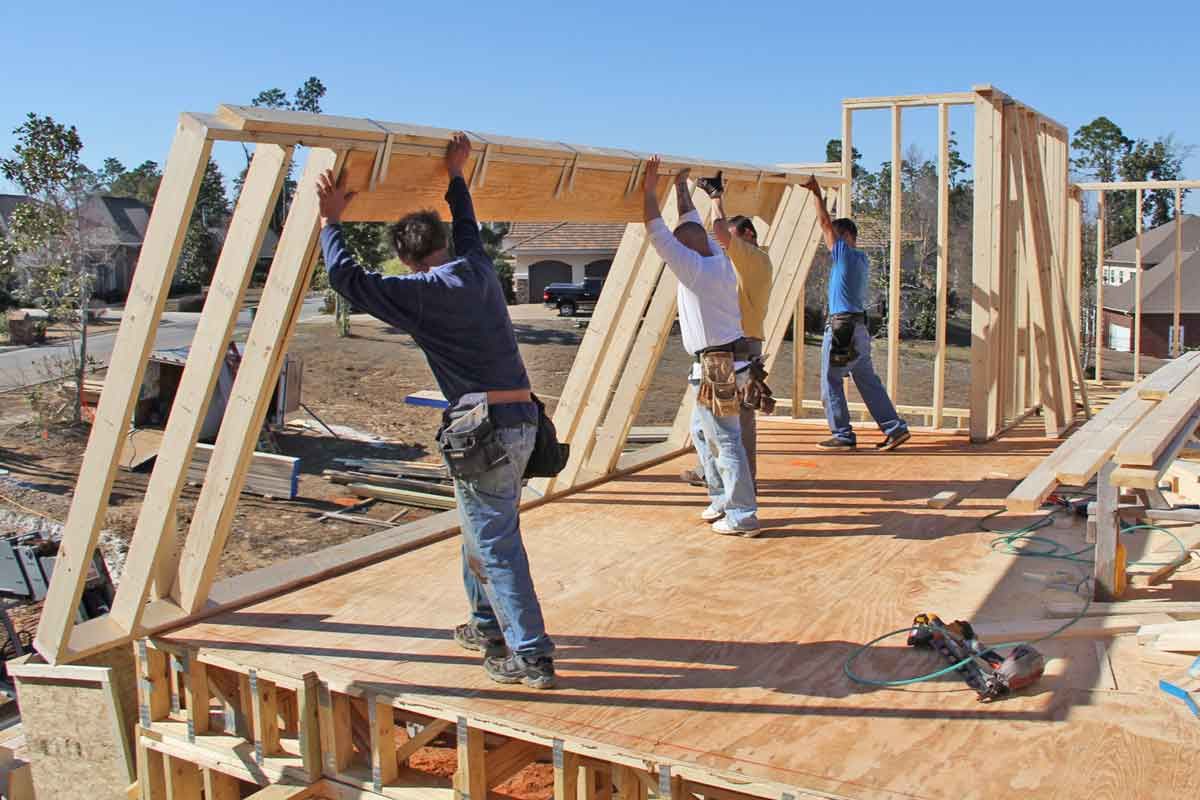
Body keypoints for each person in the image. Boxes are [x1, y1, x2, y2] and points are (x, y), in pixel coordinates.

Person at [315, 133, 557, 689]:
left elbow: (347, 279)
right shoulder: (476, 267)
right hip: (522, 420)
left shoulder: (419, 293)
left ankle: (531, 653)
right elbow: (469, 226)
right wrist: (455, 176)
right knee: (480, 529)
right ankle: (484, 625)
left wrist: (331, 222)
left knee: (493, 540)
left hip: (486, 429)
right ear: (444, 242)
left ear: (405, 257)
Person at [642, 156, 760, 536]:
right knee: (702, 433)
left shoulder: (693, 267)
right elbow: (689, 220)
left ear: (687, 246)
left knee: (726, 440)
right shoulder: (716, 256)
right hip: (719, 363)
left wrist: (648, 187)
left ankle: (743, 514)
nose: (677, 242)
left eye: (681, 241)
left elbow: (656, 231)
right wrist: (679, 186)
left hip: (718, 367)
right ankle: (722, 499)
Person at [676, 171, 773, 486]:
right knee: (709, 424)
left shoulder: (751, 257)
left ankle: (742, 488)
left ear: (746, 234)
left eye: (730, 239)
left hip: (736, 350)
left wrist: (716, 198)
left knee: (735, 426)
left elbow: (718, 228)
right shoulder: (752, 261)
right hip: (735, 348)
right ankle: (717, 476)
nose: (723, 244)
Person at [802, 176, 910, 451]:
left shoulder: (845, 255)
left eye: (836, 237)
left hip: (843, 330)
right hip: (858, 329)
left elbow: (825, 224)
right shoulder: (861, 259)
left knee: (831, 380)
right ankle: (895, 428)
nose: (831, 242)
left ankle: (842, 434)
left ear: (846, 236)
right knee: (866, 379)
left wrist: (817, 193)